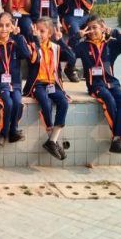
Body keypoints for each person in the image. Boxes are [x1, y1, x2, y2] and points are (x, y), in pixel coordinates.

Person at [74, 15, 121, 154]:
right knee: (109, 100)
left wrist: (113, 32)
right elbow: (67, 54)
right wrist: (76, 37)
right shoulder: (83, 47)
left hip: (112, 82)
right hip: (96, 85)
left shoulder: (110, 45)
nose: (92, 31)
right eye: (89, 28)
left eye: (95, 27)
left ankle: (117, 139)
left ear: (102, 27)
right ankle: (118, 138)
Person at [22, 17, 75, 161]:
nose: (39, 33)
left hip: (53, 83)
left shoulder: (56, 48)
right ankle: (52, 141)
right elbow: (34, 59)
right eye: (36, 30)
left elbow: (72, 58)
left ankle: (52, 140)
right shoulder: (32, 46)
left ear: (50, 33)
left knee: (63, 102)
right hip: (37, 84)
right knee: (45, 103)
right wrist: (35, 39)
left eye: (42, 31)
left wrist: (61, 41)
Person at [0, 12, 34, 146]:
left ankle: (13, 131)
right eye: (1, 25)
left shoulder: (15, 43)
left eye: (7, 25)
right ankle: (2, 134)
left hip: (15, 84)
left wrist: (18, 36)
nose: (4, 29)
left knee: (18, 103)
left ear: (12, 27)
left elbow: (27, 54)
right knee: (8, 103)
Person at [58, 0, 95, 82]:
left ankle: (93, 65)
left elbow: (89, 6)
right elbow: (60, 5)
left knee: (96, 30)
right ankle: (70, 66)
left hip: (84, 17)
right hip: (70, 16)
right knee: (76, 34)